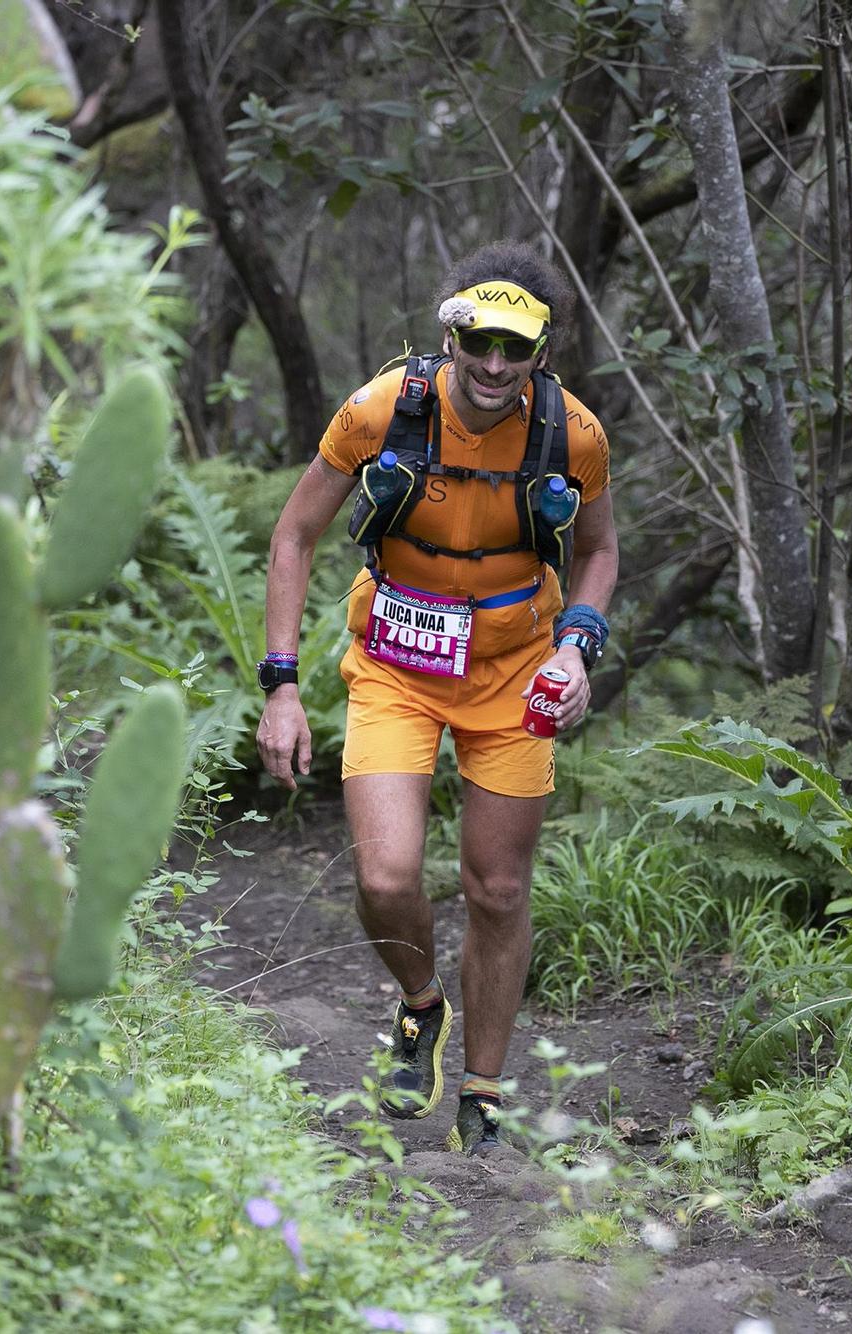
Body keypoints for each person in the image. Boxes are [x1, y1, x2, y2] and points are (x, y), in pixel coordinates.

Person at [254, 241, 619, 1156]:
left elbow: (601, 553)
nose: (495, 365)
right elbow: (295, 537)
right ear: (449, 331)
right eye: (479, 342)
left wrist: (578, 649)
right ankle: (422, 1008)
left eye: (516, 347)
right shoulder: (381, 412)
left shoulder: (572, 434)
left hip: (513, 668)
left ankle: (483, 1098)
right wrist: (282, 686)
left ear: (543, 349)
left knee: (497, 888)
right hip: (395, 664)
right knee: (385, 877)